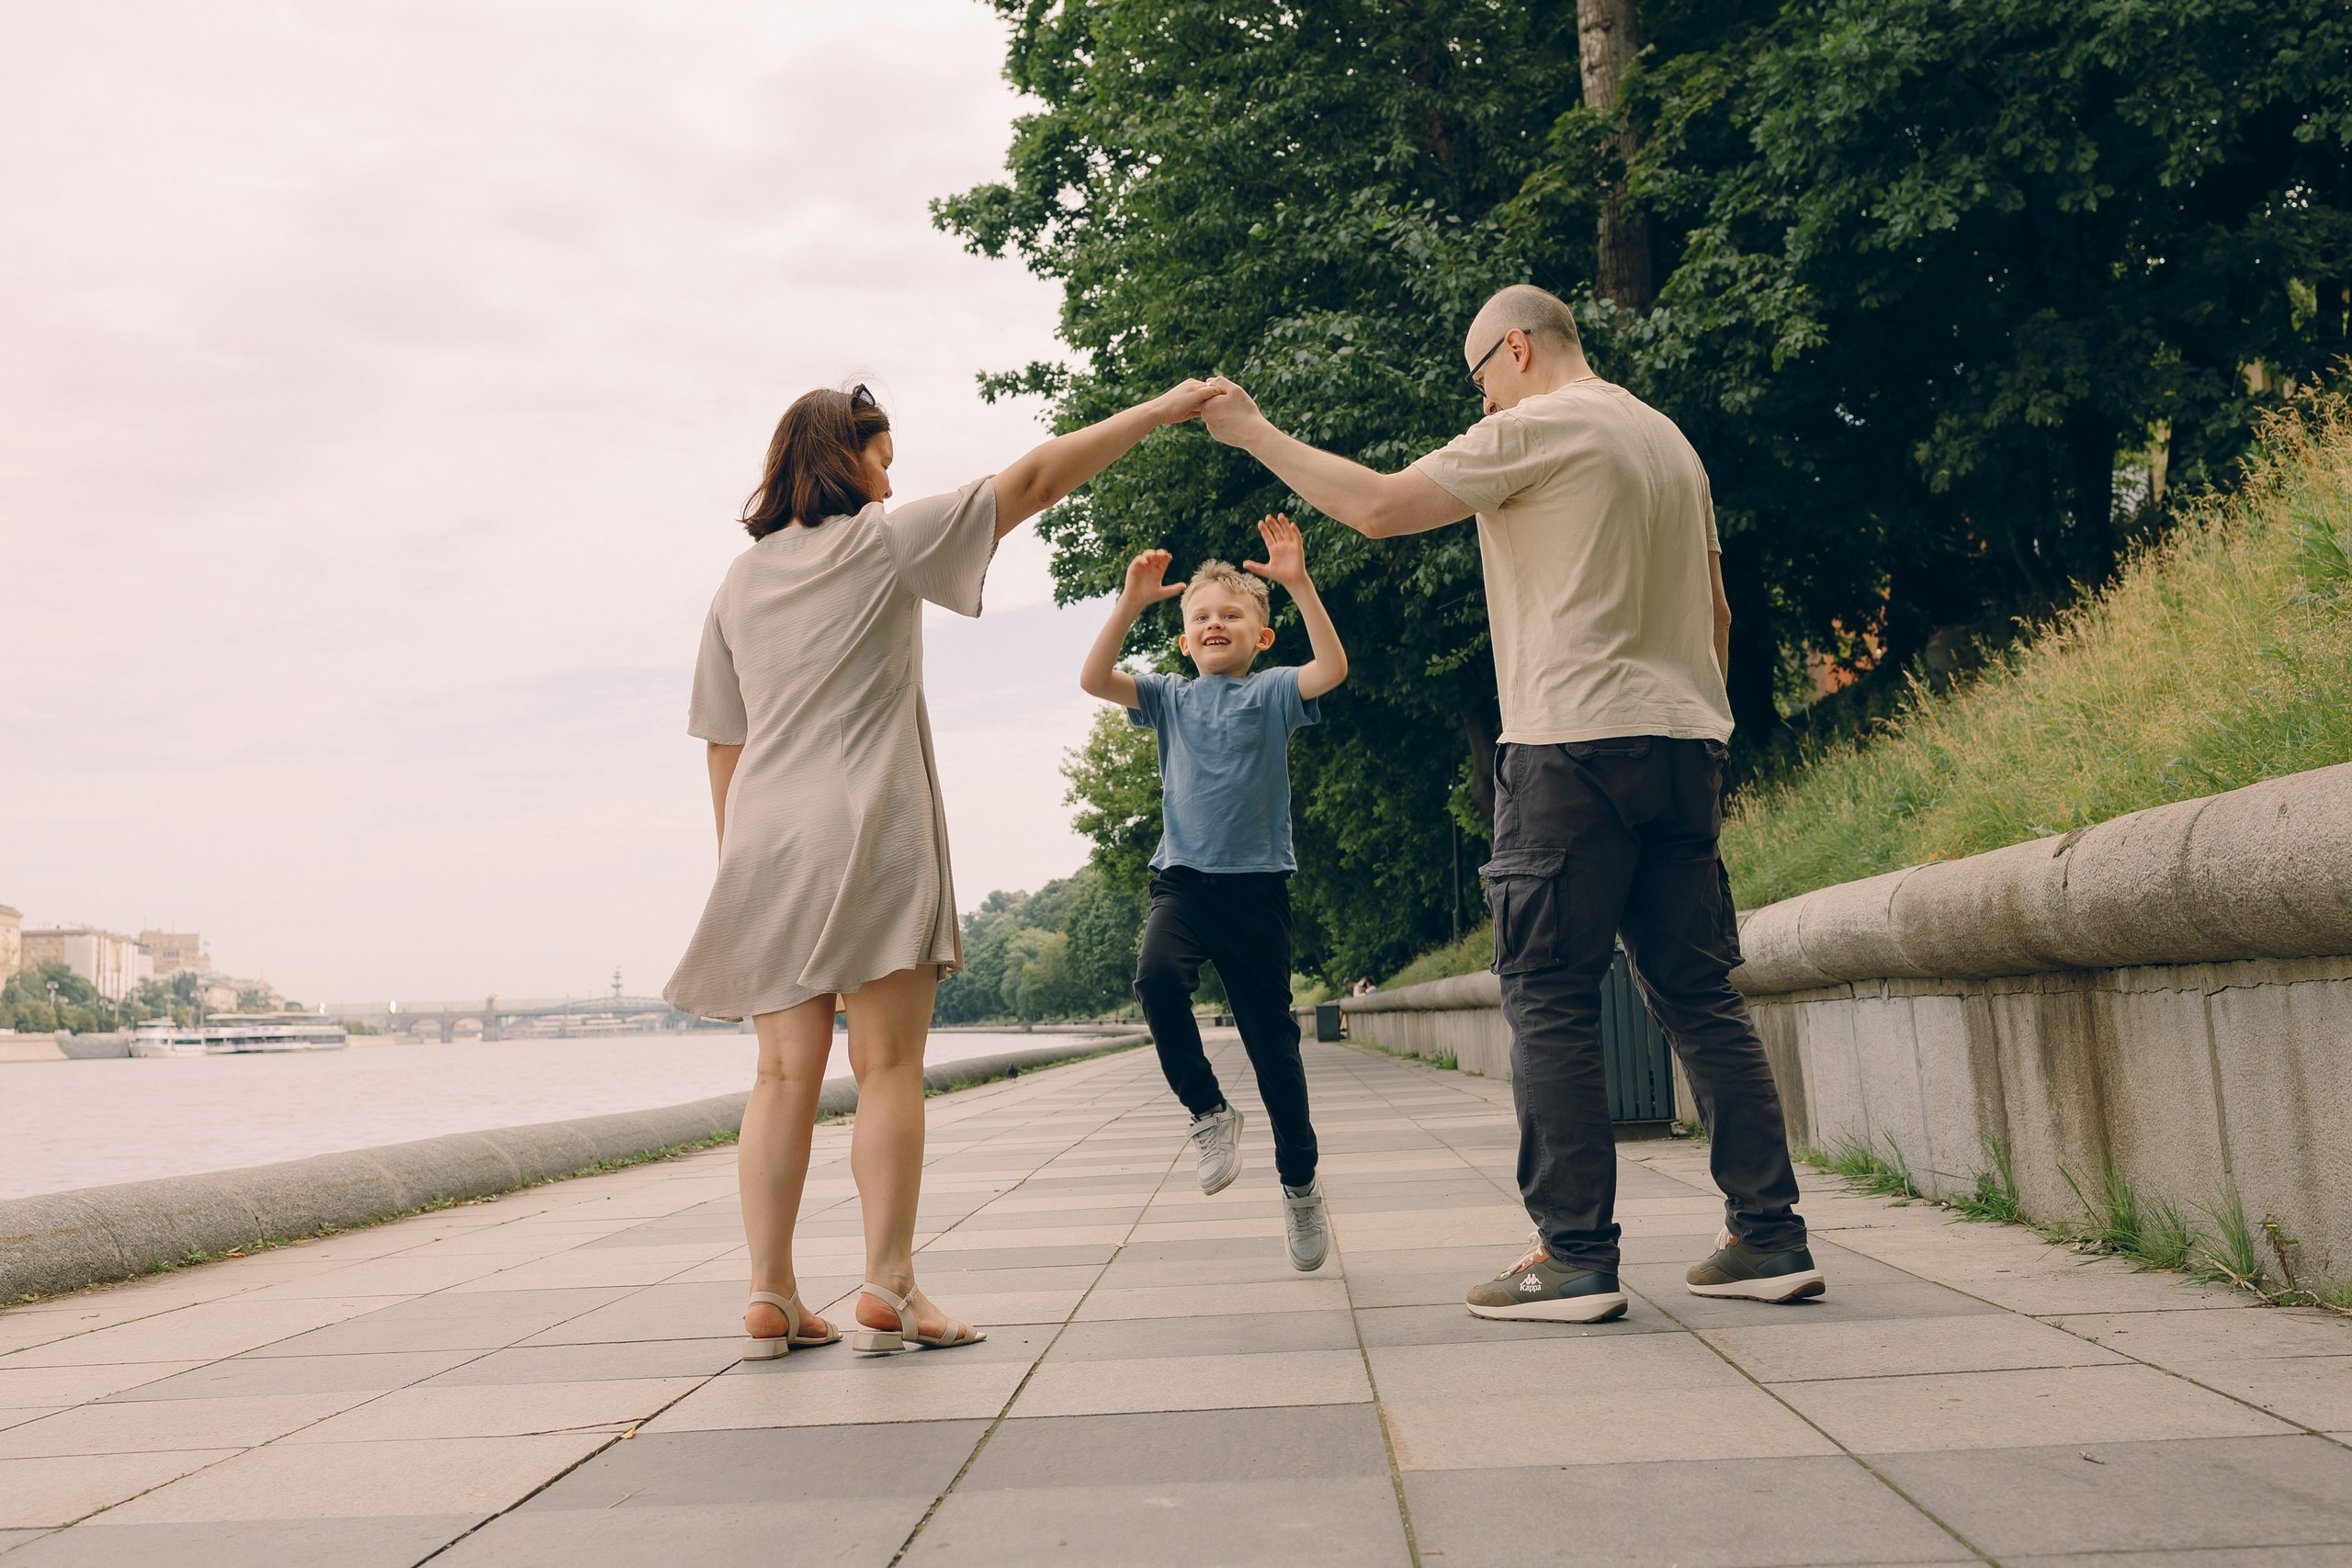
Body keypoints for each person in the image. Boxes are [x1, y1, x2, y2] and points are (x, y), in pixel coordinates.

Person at [1199, 284, 1820, 1323]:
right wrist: (1699, 723)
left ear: (1517, 349)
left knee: (1548, 994)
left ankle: (1572, 1256)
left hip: (1571, 751)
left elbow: (1377, 508)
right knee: (1700, 994)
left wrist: (1253, 431)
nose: (1481, 404)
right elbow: (1715, 608)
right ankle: (1768, 1235)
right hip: (1685, 745)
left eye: (1478, 379)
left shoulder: (1538, 426)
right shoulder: (1670, 443)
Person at [666, 376, 1223, 1358]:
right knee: (886, 1065)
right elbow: (1036, 479)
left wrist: (736, 866)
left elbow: (723, 741)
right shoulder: (881, 539)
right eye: (880, 457)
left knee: (781, 1072)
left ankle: (771, 1292)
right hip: (869, 826)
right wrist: (1153, 411)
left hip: (762, 840)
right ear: (844, 457)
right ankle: (891, 1283)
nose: (890, 478)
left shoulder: (736, 584)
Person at [1078, 514, 1348, 1271]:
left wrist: (1298, 583)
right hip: (1184, 882)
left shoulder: (1272, 691)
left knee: (1273, 1051)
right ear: (1183, 641)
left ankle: (1299, 1183)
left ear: (1262, 637)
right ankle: (1207, 1110)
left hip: (1257, 891)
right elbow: (1094, 679)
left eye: (1231, 614)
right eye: (1201, 617)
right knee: (1156, 978)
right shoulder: (1167, 697)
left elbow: (1331, 668)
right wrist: (1130, 602)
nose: (1215, 623)